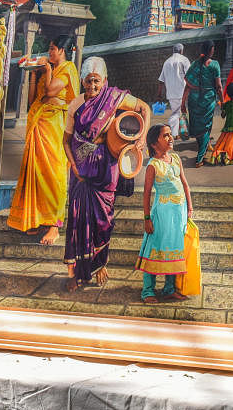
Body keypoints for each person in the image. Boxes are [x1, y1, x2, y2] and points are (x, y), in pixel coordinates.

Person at [63, 57, 150, 290]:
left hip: (106, 169)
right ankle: (74, 273)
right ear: (82, 81)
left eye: (97, 81)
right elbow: (66, 140)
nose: (92, 86)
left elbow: (144, 108)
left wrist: (142, 138)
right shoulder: (75, 105)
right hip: (80, 171)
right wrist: (72, 164)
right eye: (89, 81)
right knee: (77, 220)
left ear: (105, 81)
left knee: (103, 220)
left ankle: (100, 265)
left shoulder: (113, 98)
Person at [7, 34, 80, 245]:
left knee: (53, 174)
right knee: (37, 173)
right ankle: (38, 220)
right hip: (40, 123)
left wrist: (46, 69)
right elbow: (34, 99)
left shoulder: (67, 69)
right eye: (49, 49)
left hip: (55, 126)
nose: (49, 53)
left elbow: (50, 91)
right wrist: (34, 74)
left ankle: (54, 226)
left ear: (62, 51)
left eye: (52, 49)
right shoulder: (51, 69)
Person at [136, 124, 193, 303]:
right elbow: (146, 194)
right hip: (162, 214)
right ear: (154, 143)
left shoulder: (175, 159)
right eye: (165, 136)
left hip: (179, 214)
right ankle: (148, 291)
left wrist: (189, 208)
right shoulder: (153, 166)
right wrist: (147, 218)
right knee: (156, 248)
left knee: (174, 249)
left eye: (170, 134)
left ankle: (169, 288)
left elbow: (184, 184)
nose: (170, 138)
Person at [181, 42, 224, 168]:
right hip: (208, 100)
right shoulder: (215, 65)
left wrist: (183, 103)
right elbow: (219, 87)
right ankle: (199, 158)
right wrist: (223, 102)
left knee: (199, 128)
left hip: (194, 101)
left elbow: (188, 86)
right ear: (211, 50)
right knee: (205, 128)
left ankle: (203, 149)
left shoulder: (195, 64)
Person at [208, 82, 233, 166]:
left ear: (228, 94)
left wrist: (222, 109)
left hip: (227, 128)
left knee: (225, 144)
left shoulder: (226, 104)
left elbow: (223, 116)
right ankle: (230, 157)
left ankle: (222, 154)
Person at [157, 43, 190, 139]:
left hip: (170, 93)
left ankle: (177, 133)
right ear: (181, 51)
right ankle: (174, 133)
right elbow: (190, 76)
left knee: (177, 111)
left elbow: (161, 80)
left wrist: (159, 95)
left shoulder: (167, 62)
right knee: (177, 113)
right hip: (182, 91)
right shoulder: (184, 60)